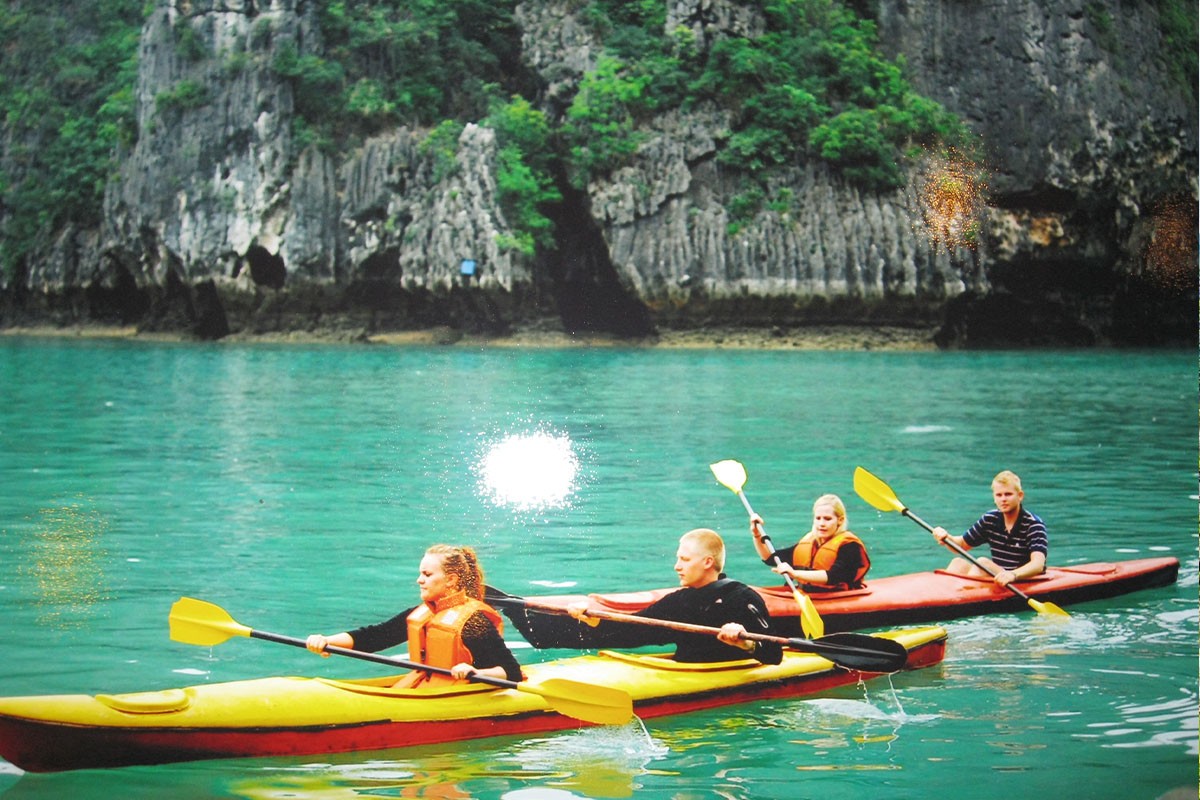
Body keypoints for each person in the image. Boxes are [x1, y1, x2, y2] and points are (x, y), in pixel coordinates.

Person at [305, 544, 522, 687]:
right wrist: (327, 641)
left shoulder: (473, 622)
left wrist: (474, 671)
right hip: (426, 687)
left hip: (459, 695)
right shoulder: (424, 613)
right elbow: (375, 636)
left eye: (427, 574)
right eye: (420, 573)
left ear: (451, 580)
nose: (419, 580)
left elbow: (512, 672)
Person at [567, 528, 783, 665]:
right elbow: (632, 632)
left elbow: (774, 655)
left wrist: (746, 644)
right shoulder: (679, 601)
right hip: (683, 673)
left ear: (707, 562)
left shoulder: (742, 599)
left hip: (732, 689)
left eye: (685, 559)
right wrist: (594, 620)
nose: (677, 566)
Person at [931, 470, 1047, 587]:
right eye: (999, 495)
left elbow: (1038, 565)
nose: (1003, 499)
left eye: (1008, 494)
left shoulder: (1034, 524)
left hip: (1021, 579)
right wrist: (946, 538)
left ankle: (965, 598)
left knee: (982, 563)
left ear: (1020, 496)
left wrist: (1013, 574)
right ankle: (943, 598)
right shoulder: (990, 519)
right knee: (958, 563)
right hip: (999, 577)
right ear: (994, 497)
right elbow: (961, 545)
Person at [749, 494, 870, 592]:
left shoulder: (850, 546)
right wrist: (756, 534)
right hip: (809, 595)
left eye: (827, 519)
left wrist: (795, 574)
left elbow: (834, 576)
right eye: (818, 518)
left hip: (839, 597)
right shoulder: (809, 543)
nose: (821, 523)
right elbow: (770, 558)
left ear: (840, 520)